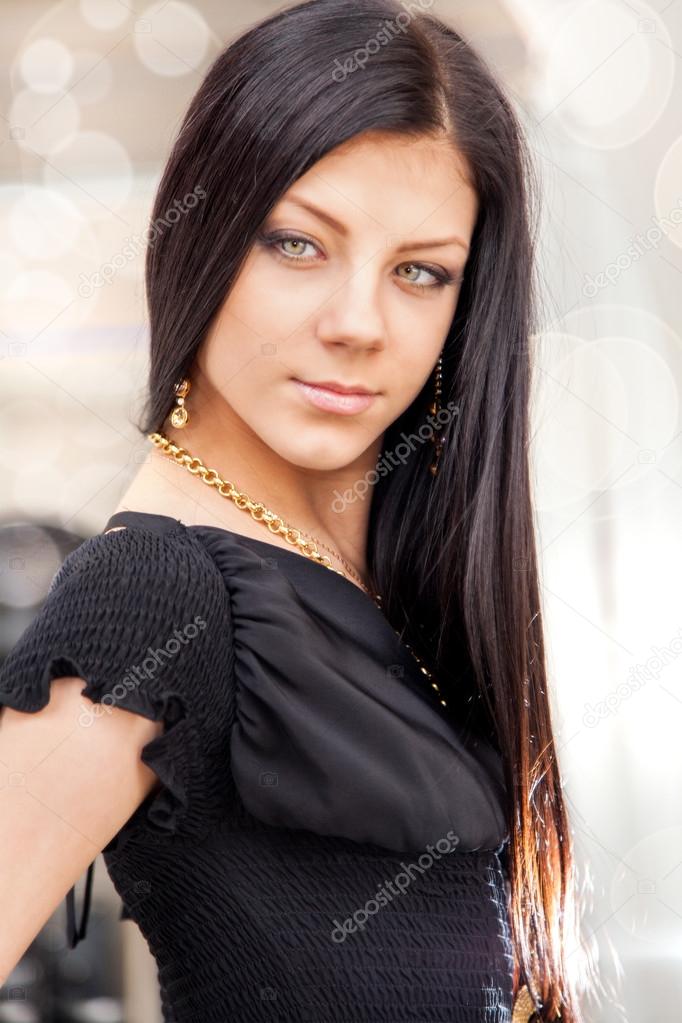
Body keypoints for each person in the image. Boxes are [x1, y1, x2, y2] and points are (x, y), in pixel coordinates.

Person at [0, 1, 591, 1019]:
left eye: (419, 271)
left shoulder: (396, 570)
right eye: (297, 244)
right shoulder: (152, 595)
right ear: (203, 234)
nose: (357, 324)